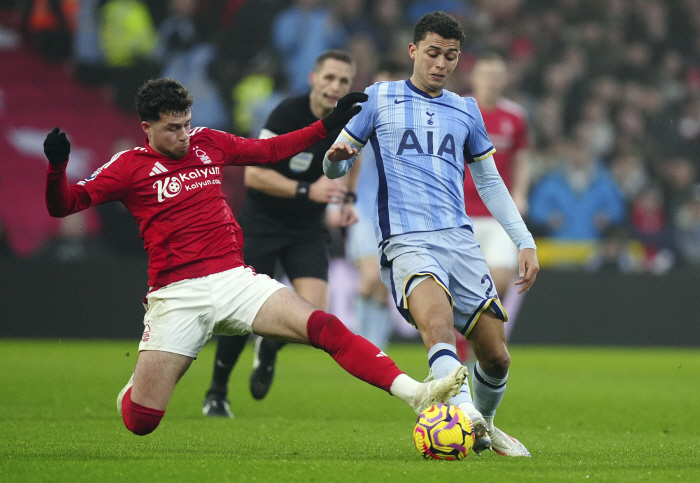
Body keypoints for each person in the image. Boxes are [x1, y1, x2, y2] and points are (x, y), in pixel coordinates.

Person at [42, 78, 468, 437]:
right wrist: (57, 168)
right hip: (177, 294)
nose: (184, 135)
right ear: (147, 128)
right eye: (173, 128)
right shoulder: (127, 167)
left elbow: (270, 152)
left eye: (187, 124)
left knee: (323, 326)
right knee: (142, 422)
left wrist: (328, 125)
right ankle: (139, 386)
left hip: (234, 278)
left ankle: (416, 393)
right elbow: (65, 205)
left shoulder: (208, 142)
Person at [323, 12, 539, 457]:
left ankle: (487, 423)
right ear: (413, 51)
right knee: (437, 326)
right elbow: (337, 162)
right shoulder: (379, 98)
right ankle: (467, 417)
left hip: (459, 241)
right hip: (405, 240)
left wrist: (525, 240)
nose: (441, 63)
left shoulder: (466, 109)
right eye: (433, 53)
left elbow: (490, 182)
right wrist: (334, 160)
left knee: (496, 356)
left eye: (451, 56)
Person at [202, 50, 360, 417]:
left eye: (343, 81)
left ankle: (269, 347)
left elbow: (355, 155)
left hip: (306, 228)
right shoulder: (287, 113)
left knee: (315, 314)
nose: (335, 86)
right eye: (329, 78)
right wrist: (307, 191)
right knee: (239, 315)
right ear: (313, 78)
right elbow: (253, 174)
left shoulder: (348, 120)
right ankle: (217, 392)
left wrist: (347, 197)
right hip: (262, 223)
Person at [463, 52, 531, 342]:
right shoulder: (459, 109)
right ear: (474, 78)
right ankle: (467, 343)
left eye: (497, 76)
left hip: (499, 213)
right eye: (486, 75)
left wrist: (521, 194)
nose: (491, 81)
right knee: (459, 285)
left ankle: (478, 337)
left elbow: (523, 158)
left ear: (504, 80)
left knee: (500, 281)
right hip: (460, 212)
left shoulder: (515, 116)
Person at [346, 60, 411, 351]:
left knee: (386, 286)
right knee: (370, 277)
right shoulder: (362, 116)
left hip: (397, 212)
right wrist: (341, 201)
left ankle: (376, 348)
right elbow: (348, 162)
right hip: (363, 209)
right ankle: (362, 343)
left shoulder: (412, 120)